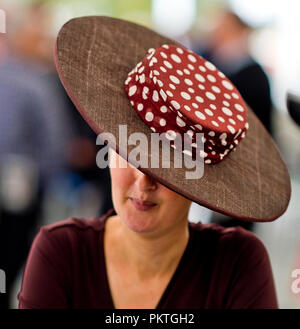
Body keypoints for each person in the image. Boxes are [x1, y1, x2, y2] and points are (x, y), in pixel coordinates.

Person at [17, 16, 291, 309]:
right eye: (131, 153)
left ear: (198, 181)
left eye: (167, 170)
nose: (144, 182)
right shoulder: (61, 252)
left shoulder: (237, 262)